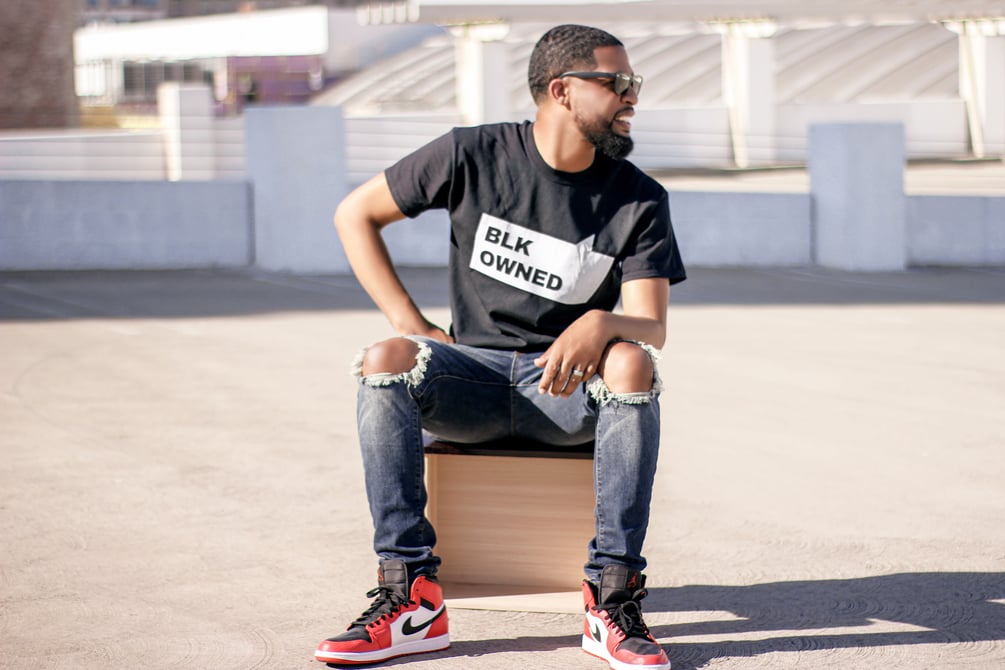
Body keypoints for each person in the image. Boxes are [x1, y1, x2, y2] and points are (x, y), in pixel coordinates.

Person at [315, 23, 686, 670]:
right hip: (474, 383)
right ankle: (410, 598)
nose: (632, 96)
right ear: (562, 90)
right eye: (617, 83)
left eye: (634, 84)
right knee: (385, 359)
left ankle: (612, 599)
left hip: (567, 391)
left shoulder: (638, 198)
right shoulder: (472, 154)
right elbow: (355, 214)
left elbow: (651, 325)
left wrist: (602, 324)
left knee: (631, 361)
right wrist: (411, 322)